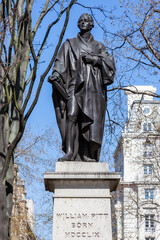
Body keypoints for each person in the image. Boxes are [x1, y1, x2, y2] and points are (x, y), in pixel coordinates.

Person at [48, 13, 115, 162]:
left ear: (92, 25)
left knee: (89, 120)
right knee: (71, 116)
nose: (84, 22)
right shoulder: (69, 44)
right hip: (74, 86)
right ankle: (70, 152)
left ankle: (87, 154)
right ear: (78, 24)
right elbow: (59, 63)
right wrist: (56, 74)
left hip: (93, 90)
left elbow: (110, 65)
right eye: (81, 20)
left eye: (87, 20)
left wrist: (95, 59)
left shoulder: (99, 46)